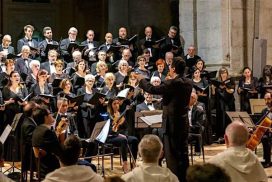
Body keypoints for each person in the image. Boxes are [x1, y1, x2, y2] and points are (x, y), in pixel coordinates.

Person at [137, 56, 192, 182]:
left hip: (171, 125)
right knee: (183, 154)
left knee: (172, 156)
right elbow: (170, 95)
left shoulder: (172, 83)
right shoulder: (188, 82)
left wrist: (142, 80)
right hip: (183, 123)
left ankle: (175, 179)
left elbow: (153, 89)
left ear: (173, 69)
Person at [32, 106, 64, 178]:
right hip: (52, 170)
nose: (52, 115)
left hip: (42, 168)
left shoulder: (37, 130)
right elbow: (60, 152)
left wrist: (58, 131)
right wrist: (62, 134)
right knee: (90, 166)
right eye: (50, 113)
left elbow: (50, 145)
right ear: (45, 117)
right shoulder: (47, 132)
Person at [261, 92, 272, 168]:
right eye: (265, 99)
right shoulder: (264, 111)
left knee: (267, 139)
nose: (266, 101)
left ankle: (268, 161)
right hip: (266, 132)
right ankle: (267, 160)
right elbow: (261, 122)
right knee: (264, 138)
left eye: (268, 99)